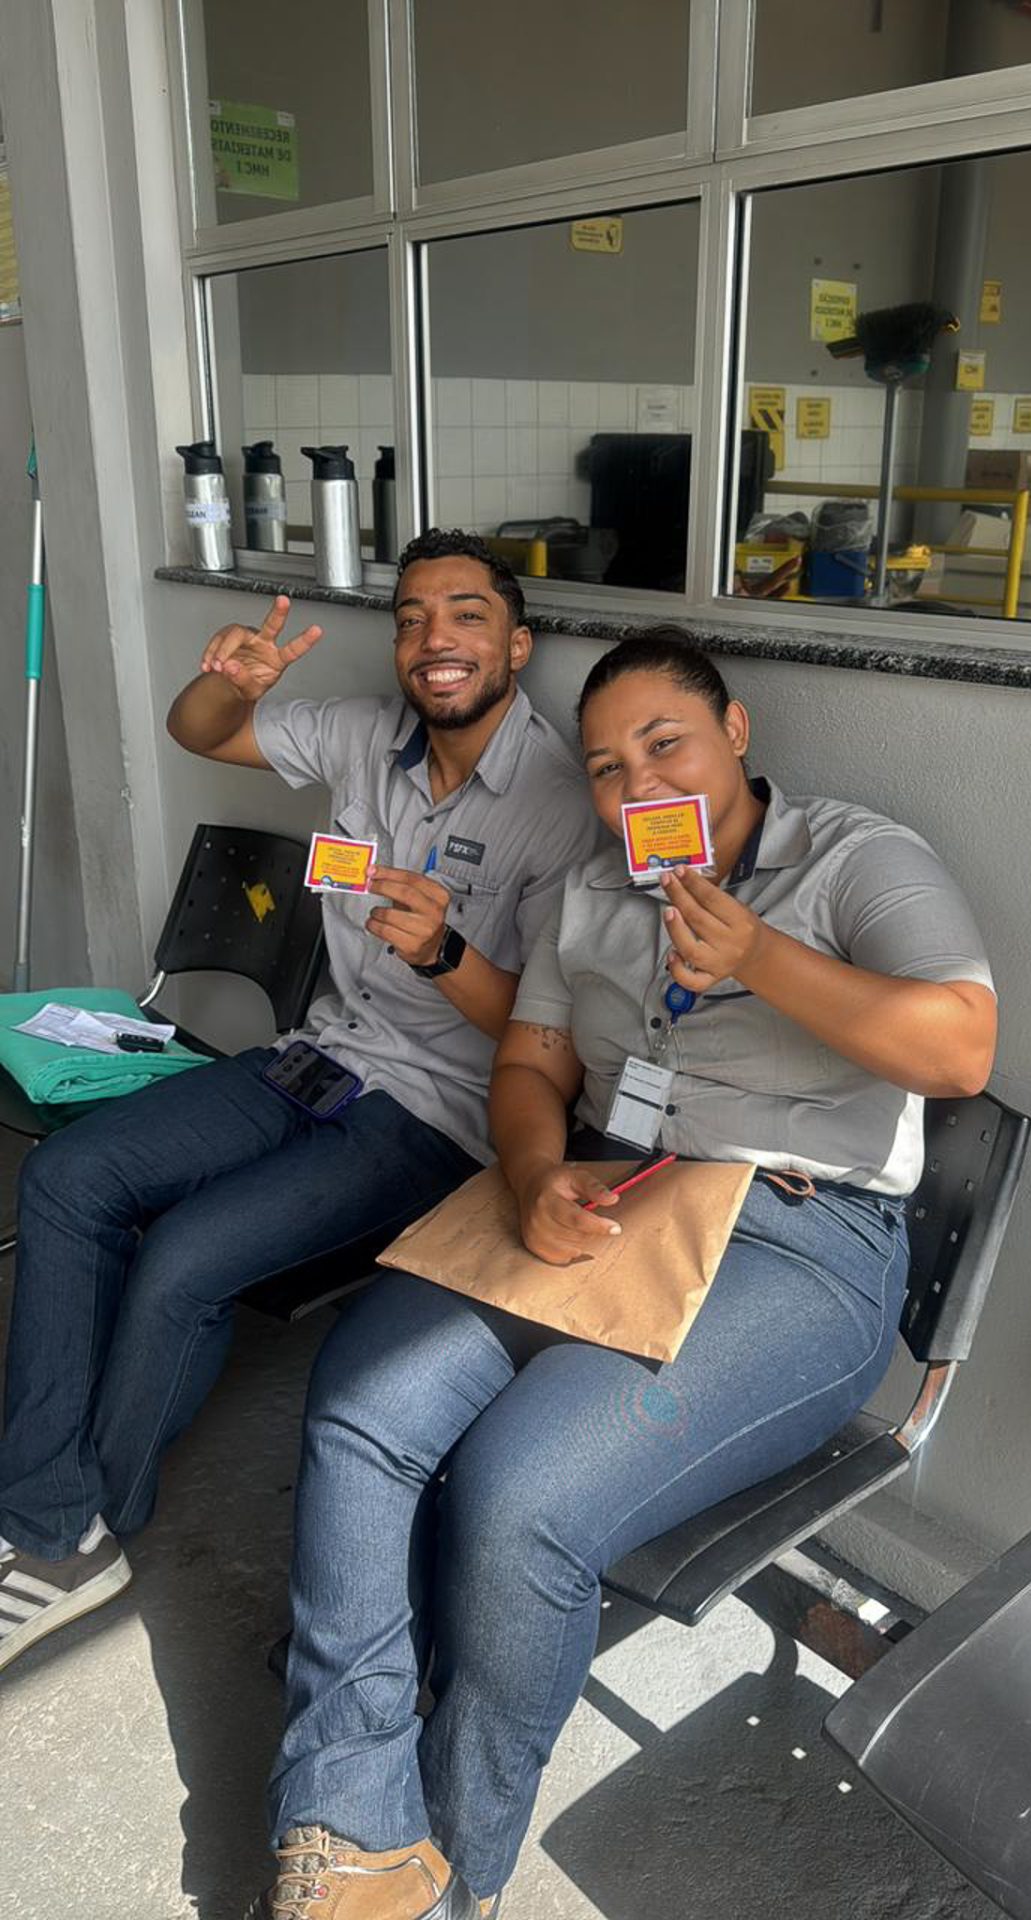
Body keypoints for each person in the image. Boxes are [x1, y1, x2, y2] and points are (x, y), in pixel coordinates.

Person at [250, 628, 998, 1920]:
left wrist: (758, 956)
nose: (637, 783)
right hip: (612, 1195)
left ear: (736, 734)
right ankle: (353, 1821)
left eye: (666, 744)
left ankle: (456, 1872)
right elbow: (532, 1063)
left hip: (798, 1242)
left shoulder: (856, 858)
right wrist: (536, 1170)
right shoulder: (595, 889)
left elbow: (961, 1046)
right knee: (364, 1397)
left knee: (519, 1491)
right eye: (605, 766)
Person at [0, 529, 602, 1673]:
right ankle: (41, 1500)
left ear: (517, 645)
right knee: (68, 1176)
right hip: (313, 1056)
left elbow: (549, 1045)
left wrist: (443, 955)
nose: (435, 639)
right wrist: (227, 684)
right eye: (414, 618)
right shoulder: (362, 733)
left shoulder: (563, 806)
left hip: (432, 1114)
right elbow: (201, 731)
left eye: (468, 616)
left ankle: (72, 1528)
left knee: (186, 1256)